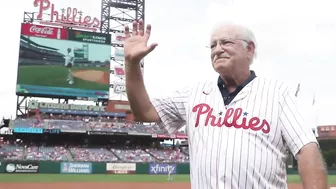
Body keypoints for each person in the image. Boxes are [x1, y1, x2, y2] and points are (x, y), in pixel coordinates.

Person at [124, 20, 328, 189]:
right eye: (212, 45)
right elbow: (145, 111)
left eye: (226, 42)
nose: (217, 49)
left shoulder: (277, 94)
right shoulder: (193, 93)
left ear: (249, 49)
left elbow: (306, 149)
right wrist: (132, 64)